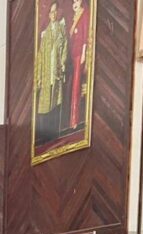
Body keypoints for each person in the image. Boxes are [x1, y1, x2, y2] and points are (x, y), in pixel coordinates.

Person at [34, 1, 68, 142]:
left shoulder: (61, 30)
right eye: (51, 12)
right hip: (47, 72)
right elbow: (40, 56)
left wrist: (63, 63)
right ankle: (44, 136)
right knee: (45, 103)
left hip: (57, 71)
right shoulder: (45, 34)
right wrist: (39, 76)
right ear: (48, 14)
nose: (53, 14)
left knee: (55, 102)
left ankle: (54, 134)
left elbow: (64, 48)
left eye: (55, 11)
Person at [68, 0, 91, 130]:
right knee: (73, 86)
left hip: (79, 55)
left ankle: (74, 120)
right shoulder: (75, 15)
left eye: (77, 0)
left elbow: (85, 36)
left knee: (76, 86)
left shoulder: (85, 14)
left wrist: (83, 54)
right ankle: (72, 119)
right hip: (73, 53)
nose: (75, 2)